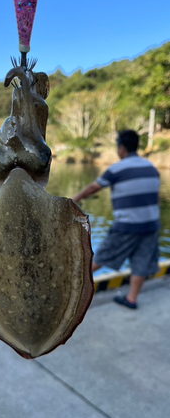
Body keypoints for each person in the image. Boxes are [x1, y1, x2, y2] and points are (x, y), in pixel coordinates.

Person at [72, 130, 160, 309]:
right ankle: (131, 299)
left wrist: (74, 200)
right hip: (152, 224)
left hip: (128, 225)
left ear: (121, 148)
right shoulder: (151, 167)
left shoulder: (117, 169)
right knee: (141, 261)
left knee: (100, 258)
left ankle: (70, 289)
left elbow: (93, 187)